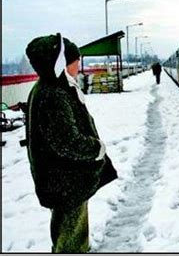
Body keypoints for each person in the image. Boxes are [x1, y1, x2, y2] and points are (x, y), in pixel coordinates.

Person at [25, 33, 117, 253]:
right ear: (63, 64)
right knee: (71, 241)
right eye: (77, 60)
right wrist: (97, 148)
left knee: (68, 235)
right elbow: (67, 141)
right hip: (67, 183)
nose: (79, 65)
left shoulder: (49, 88)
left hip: (63, 180)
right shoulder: (54, 94)